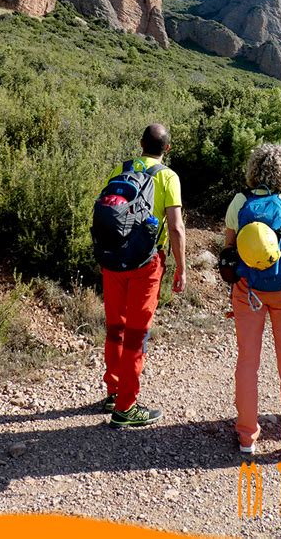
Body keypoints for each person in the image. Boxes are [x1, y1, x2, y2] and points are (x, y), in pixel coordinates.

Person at [224, 143, 281, 461]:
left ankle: (247, 436)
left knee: (247, 361)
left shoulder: (239, 201)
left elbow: (229, 251)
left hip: (247, 291)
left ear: (254, 169)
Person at [102, 123, 186, 428]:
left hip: (113, 260)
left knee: (115, 328)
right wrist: (181, 267)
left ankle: (113, 390)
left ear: (140, 144)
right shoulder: (168, 176)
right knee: (137, 334)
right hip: (146, 264)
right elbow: (175, 227)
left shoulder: (121, 168)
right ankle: (125, 407)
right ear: (167, 148)